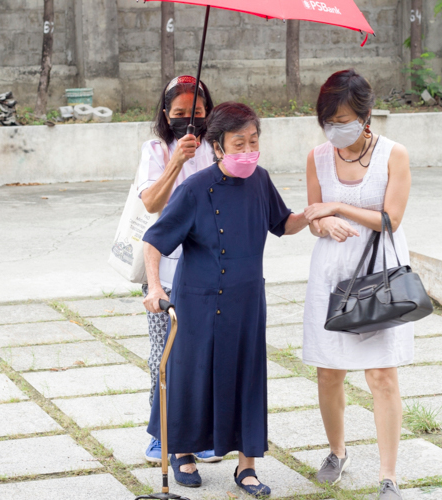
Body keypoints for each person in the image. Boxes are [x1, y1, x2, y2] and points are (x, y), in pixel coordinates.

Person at [142, 102, 308, 497]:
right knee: (191, 373)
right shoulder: (195, 188)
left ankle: (246, 467)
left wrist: (315, 213)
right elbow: (155, 240)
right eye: (239, 143)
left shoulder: (261, 181)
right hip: (197, 298)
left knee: (246, 376)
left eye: (253, 142)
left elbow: (283, 224)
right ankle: (182, 453)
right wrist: (154, 287)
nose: (248, 150)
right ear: (217, 147)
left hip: (246, 298)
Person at [302, 69, 413, 500]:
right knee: (329, 371)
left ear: (366, 117)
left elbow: (391, 219)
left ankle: (389, 476)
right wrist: (324, 218)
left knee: (382, 374)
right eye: (328, 120)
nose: (336, 129)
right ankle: (337, 452)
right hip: (332, 271)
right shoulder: (318, 156)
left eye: (344, 119)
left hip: (380, 272)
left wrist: (337, 206)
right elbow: (314, 217)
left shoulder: (394, 154)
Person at [136, 75, 221, 465]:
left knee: (206, 353)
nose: (190, 121)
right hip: (166, 272)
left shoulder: (219, 147)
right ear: (166, 115)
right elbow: (152, 204)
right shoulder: (156, 149)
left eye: (198, 113)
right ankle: (162, 433)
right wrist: (176, 161)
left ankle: (200, 433)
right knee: (166, 355)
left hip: (209, 272)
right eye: (180, 114)